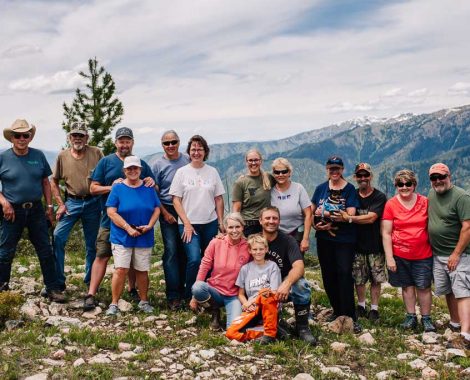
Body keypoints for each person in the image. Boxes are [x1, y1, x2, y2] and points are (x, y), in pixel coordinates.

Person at [84, 127, 155, 311]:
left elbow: (151, 184)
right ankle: (91, 293)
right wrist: (113, 187)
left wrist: (151, 182)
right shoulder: (106, 162)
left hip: (137, 222)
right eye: (121, 141)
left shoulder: (141, 164)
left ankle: (132, 289)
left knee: (133, 258)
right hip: (110, 221)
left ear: (132, 143)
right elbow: (93, 189)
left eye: (128, 141)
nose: (124, 144)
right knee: (102, 254)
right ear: (116, 142)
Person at [0, 119, 65, 302]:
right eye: (17, 135)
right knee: (5, 251)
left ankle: (52, 289)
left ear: (30, 137)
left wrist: (50, 207)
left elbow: (46, 181)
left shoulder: (38, 156)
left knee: (45, 249)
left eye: (25, 135)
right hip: (12, 211)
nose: (21, 138)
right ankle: (2, 289)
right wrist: (4, 202)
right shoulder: (3, 157)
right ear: (12, 138)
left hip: (36, 209)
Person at [170, 135, 225, 302]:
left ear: (205, 152)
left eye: (199, 149)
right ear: (189, 152)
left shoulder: (212, 171)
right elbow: (175, 199)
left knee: (209, 260)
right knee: (194, 259)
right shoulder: (182, 172)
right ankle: (190, 295)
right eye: (193, 149)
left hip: (210, 222)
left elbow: (219, 198)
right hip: (189, 224)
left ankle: (206, 294)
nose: (196, 152)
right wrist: (186, 223)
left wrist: (221, 222)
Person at [51, 122, 103, 291]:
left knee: (91, 244)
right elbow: (54, 180)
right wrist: (60, 204)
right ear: (69, 138)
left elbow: (106, 173)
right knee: (58, 237)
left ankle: (90, 282)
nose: (78, 138)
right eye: (74, 135)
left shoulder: (96, 153)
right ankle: (58, 281)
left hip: (93, 202)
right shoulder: (62, 156)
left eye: (81, 135)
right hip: (71, 203)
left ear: (87, 137)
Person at [381, 169, 436, 332]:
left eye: (408, 184)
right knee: (407, 286)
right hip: (400, 254)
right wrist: (389, 257)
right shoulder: (391, 204)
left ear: (414, 185)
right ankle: (410, 316)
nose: (404, 187)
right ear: (396, 185)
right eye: (400, 184)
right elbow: (386, 232)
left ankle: (426, 318)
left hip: (423, 254)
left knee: (424, 287)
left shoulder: (425, 202)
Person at [105, 156, 160, 316]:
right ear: (124, 171)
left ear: (140, 170)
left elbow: (157, 208)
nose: (133, 171)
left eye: (135, 168)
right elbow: (111, 211)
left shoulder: (149, 187)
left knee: (142, 270)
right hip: (122, 235)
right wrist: (128, 228)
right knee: (121, 269)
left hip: (144, 234)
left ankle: (144, 301)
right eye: (129, 169)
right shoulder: (118, 188)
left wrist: (150, 225)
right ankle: (114, 303)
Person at [311, 156, 361, 332]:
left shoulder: (349, 189)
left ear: (342, 170)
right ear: (327, 169)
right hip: (324, 239)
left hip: (344, 240)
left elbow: (349, 214)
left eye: (337, 169)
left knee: (344, 274)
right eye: (331, 168)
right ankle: (337, 310)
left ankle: (350, 315)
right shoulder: (320, 189)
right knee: (328, 275)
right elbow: (312, 212)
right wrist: (315, 224)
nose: (334, 172)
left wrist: (325, 213)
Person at [260, 206, 317, 345]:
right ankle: (273, 322)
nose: (271, 221)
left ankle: (302, 327)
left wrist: (286, 284)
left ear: (279, 221)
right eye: (267, 218)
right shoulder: (254, 240)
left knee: (301, 285)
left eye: (275, 218)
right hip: (261, 284)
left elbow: (299, 266)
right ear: (260, 221)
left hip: (283, 285)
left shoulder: (287, 240)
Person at [427, 163, 470, 349]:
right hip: (438, 254)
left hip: (458, 255)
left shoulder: (461, 197)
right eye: (434, 178)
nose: (438, 181)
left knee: (463, 292)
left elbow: (467, 227)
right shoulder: (431, 194)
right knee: (449, 291)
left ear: (449, 176)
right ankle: (454, 323)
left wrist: (456, 253)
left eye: (441, 177)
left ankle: (465, 335)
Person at [339, 163, 387, 321]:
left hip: (375, 245)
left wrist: (350, 219)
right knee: (359, 278)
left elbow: (371, 218)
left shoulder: (379, 196)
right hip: (356, 245)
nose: (363, 178)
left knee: (375, 279)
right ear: (355, 177)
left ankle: (374, 309)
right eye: (359, 176)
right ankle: (361, 305)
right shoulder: (352, 194)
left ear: (371, 176)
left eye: (366, 175)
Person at [190, 213, 251, 330]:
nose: (234, 230)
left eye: (237, 227)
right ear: (225, 228)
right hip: (215, 291)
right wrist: (194, 297)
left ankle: (230, 315)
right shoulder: (216, 242)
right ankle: (214, 311)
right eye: (230, 227)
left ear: (243, 227)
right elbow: (204, 266)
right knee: (197, 288)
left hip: (234, 295)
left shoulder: (248, 246)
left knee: (234, 329)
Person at [152, 130, 190, 311]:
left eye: (173, 142)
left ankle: (186, 291)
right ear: (162, 145)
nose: (170, 146)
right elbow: (155, 192)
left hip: (187, 211)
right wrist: (164, 212)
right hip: (167, 209)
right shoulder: (158, 165)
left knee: (186, 251)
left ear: (179, 142)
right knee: (171, 251)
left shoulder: (188, 160)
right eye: (166, 143)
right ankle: (173, 295)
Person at [226, 234, 281, 344]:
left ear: (266, 249)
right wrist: (246, 303)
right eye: (255, 249)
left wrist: (254, 300)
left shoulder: (272, 266)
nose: (258, 252)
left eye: (261, 249)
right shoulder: (245, 269)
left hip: (269, 305)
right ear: (250, 250)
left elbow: (274, 292)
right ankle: (271, 332)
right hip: (253, 308)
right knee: (231, 333)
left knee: (265, 293)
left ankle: (269, 334)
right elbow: (241, 294)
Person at [271, 157, 312, 253]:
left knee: (296, 263)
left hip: (297, 233)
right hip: (277, 234)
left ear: (289, 172)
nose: (280, 174)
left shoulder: (298, 188)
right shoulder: (270, 191)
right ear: (273, 174)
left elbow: (308, 214)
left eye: (284, 171)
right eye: (277, 172)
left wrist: (305, 239)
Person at [232, 149, 272, 235]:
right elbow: (236, 210)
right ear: (246, 162)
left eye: (256, 160)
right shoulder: (240, 182)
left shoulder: (268, 178)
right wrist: (236, 228)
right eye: (250, 160)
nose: (253, 163)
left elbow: (282, 182)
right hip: (248, 225)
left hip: (267, 224)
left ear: (261, 161)